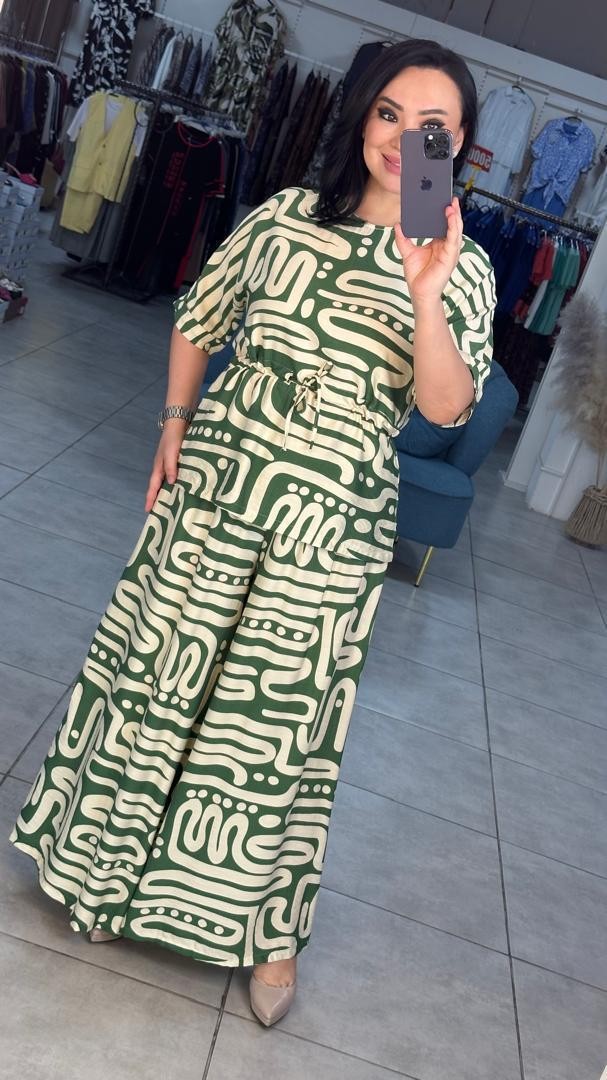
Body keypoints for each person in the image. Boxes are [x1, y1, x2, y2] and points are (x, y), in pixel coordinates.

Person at [10, 38, 495, 1029]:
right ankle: (107, 876)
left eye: (431, 128)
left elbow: (445, 409)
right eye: (388, 113)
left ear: (457, 148)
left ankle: (268, 938)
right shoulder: (284, 217)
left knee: (276, 725)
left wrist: (426, 289)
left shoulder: (465, 269)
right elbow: (201, 313)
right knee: (163, 677)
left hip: (332, 521)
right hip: (221, 483)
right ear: (361, 117)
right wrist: (172, 423)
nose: (403, 140)